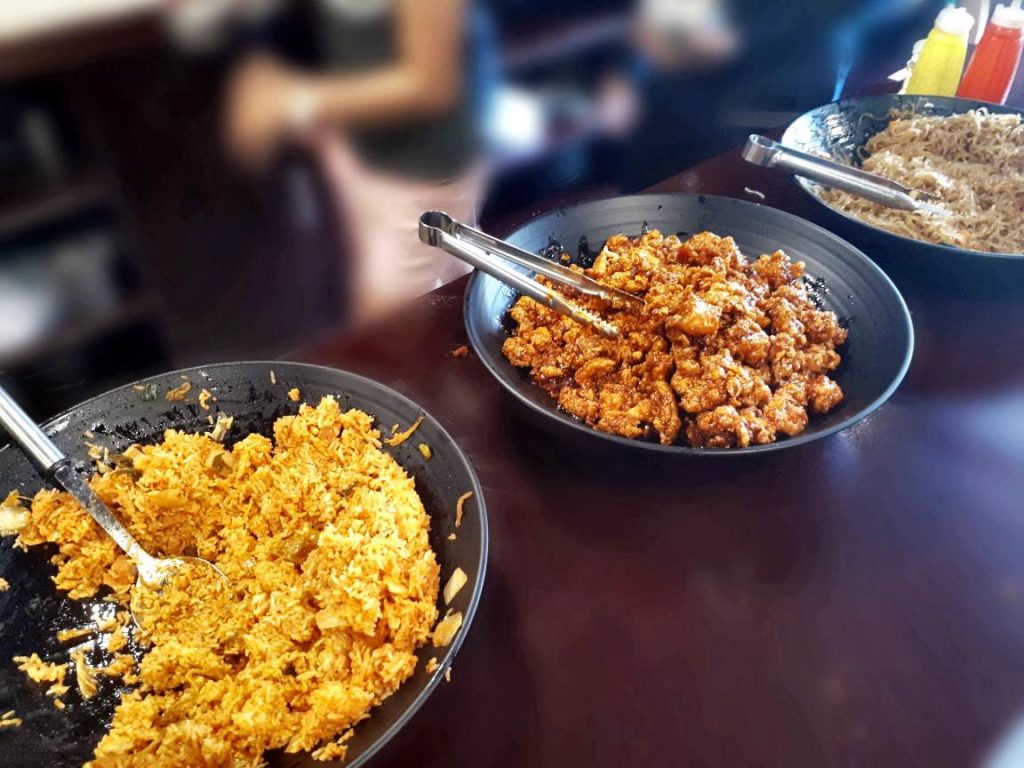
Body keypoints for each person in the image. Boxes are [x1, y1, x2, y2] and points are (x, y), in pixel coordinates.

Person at [222, 0, 489, 325]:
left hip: (423, 165)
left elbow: (432, 85)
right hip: (367, 147)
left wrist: (292, 101)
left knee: (386, 320)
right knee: (447, 270)